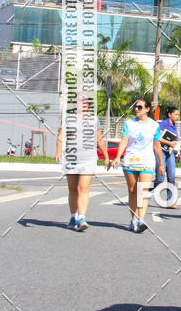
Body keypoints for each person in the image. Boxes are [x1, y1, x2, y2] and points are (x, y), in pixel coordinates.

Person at [55, 97, 111, 231]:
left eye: (86, 102)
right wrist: (58, 151)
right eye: (80, 101)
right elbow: (61, 136)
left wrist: (106, 156)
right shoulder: (68, 118)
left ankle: (82, 218)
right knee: (73, 188)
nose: (83, 104)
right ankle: (73, 216)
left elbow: (99, 139)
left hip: (88, 158)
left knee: (83, 187)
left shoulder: (93, 120)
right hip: (72, 157)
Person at [112, 97, 164, 232]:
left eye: (140, 107)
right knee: (132, 191)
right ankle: (133, 219)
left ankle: (141, 220)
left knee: (143, 190)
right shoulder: (129, 124)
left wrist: (161, 164)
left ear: (147, 109)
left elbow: (157, 146)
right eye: (135, 106)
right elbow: (124, 141)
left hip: (147, 161)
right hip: (130, 160)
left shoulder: (154, 125)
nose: (136, 109)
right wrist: (118, 156)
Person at [155, 106, 180, 207]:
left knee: (172, 177)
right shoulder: (164, 123)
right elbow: (159, 138)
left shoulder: (174, 125)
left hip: (170, 153)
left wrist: (173, 144)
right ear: (170, 115)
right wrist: (170, 143)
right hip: (161, 152)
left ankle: (170, 201)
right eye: (175, 115)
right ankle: (144, 190)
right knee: (160, 179)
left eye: (178, 115)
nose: (177, 117)